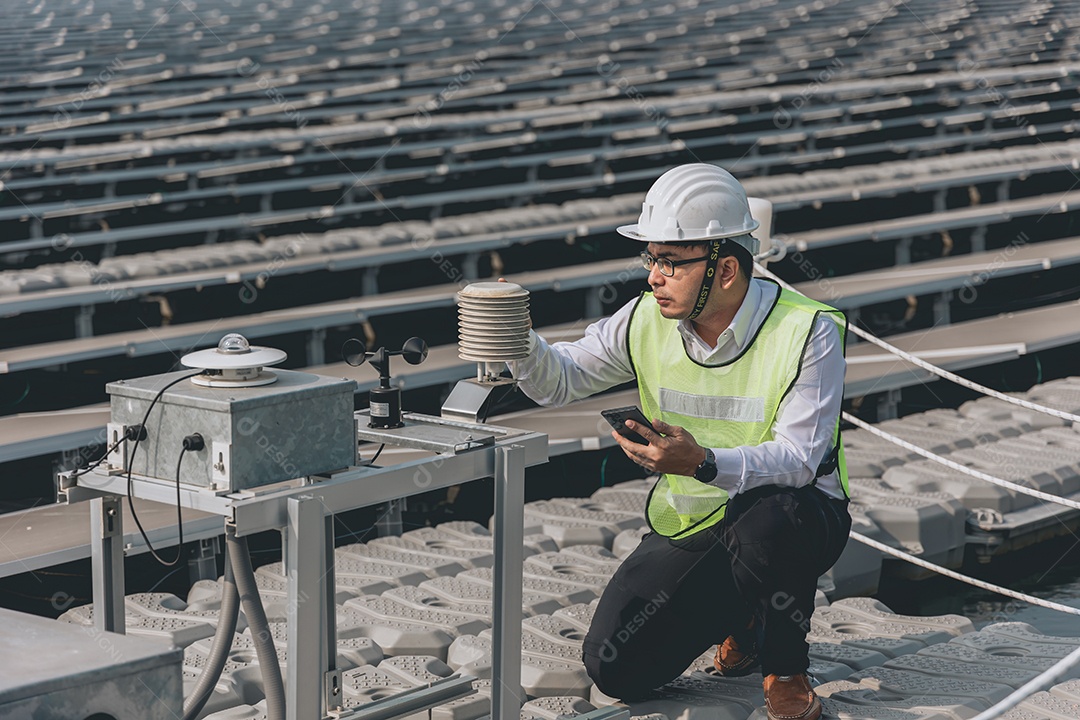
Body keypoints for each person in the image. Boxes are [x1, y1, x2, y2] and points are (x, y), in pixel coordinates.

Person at [506, 163, 852, 720]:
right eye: (651, 259)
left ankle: (785, 669)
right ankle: (744, 617)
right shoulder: (647, 316)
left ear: (728, 268)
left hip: (796, 516)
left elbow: (798, 460)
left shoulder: (807, 329)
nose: (652, 277)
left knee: (769, 520)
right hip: (697, 522)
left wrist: (702, 462)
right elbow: (561, 379)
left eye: (670, 261)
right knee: (616, 666)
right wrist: (510, 334)